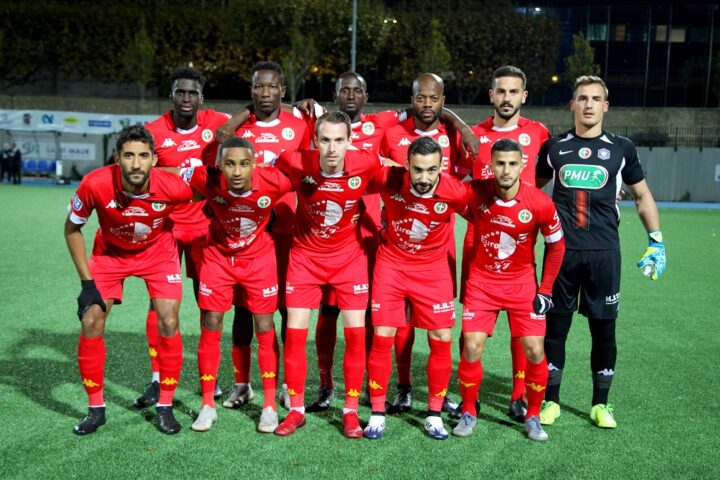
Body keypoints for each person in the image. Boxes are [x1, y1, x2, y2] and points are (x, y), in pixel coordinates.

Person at [536, 75, 666, 429]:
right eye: (582, 98)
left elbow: (642, 195)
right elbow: (531, 191)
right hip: (561, 253)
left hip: (605, 253)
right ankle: (550, 400)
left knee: (604, 330)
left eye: (596, 99)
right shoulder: (554, 147)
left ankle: (601, 405)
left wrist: (656, 240)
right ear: (572, 105)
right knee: (555, 328)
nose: (589, 104)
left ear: (605, 106)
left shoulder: (622, 149)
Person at [64, 125, 193, 435]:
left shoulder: (174, 186)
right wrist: (86, 284)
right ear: (116, 158)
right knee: (91, 320)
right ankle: (96, 409)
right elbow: (72, 229)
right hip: (110, 254)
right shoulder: (95, 183)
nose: (136, 164)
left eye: (144, 156)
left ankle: (165, 405)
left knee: (169, 320)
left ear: (154, 160)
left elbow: (206, 192)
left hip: (158, 253)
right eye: (129, 156)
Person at [273, 111, 381, 438]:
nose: (332, 148)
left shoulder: (365, 162)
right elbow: (262, 173)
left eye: (339, 140)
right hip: (305, 258)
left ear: (350, 141)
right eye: (325, 140)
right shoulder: (295, 160)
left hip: (349, 259)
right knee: (295, 334)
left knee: (356, 335)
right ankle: (296, 410)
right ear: (315, 141)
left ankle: (350, 412)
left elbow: (395, 176)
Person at [458, 65, 552, 422]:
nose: (507, 97)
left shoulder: (539, 132)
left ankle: (518, 394)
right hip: (478, 237)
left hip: (519, 236)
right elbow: (456, 180)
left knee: (521, 321)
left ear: (523, 96)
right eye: (501, 91)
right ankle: (468, 398)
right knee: (470, 324)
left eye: (514, 92)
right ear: (491, 95)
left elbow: (547, 174)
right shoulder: (475, 135)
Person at [454, 138, 565, 442]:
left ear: (522, 165)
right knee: (471, 347)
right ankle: (468, 411)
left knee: (535, 350)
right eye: (500, 163)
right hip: (482, 283)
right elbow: (446, 192)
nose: (506, 170)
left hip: (521, 284)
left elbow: (557, 246)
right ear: (490, 165)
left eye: (512, 163)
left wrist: (545, 290)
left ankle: (532, 416)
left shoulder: (540, 202)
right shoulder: (475, 193)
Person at [219, 61, 312, 411]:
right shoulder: (238, 129)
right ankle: (242, 384)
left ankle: (288, 384)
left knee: (288, 310)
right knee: (244, 311)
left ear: (283, 91)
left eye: (272, 86)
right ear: (251, 91)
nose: (265, 93)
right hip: (246, 235)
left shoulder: (299, 126)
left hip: (288, 231)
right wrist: (240, 117)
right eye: (259, 86)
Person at [136, 66, 230, 409]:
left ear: (201, 97)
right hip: (167, 227)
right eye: (180, 92)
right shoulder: (153, 131)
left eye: (192, 93)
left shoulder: (217, 121)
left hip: (206, 226)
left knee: (209, 303)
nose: (186, 98)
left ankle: (210, 377)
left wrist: (302, 107)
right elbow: (140, 171)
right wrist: (184, 172)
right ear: (171, 96)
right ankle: (157, 377)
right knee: (160, 304)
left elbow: (254, 119)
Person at [182, 137, 290, 433]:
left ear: (255, 164)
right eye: (230, 164)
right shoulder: (205, 178)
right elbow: (171, 173)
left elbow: (310, 177)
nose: (238, 171)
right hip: (218, 257)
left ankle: (269, 406)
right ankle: (207, 405)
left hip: (259, 259)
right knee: (211, 320)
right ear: (220, 166)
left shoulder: (274, 181)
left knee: (264, 324)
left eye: (244, 164)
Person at [363, 137, 468, 440]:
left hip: (433, 271)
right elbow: (352, 177)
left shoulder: (455, 191)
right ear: (406, 164)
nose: (424, 178)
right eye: (418, 170)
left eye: (431, 170)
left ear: (441, 167)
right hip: (391, 267)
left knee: (441, 338)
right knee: (382, 336)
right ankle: (377, 414)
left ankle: (434, 415)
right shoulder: (389, 178)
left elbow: (483, 214)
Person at [378, 72, 470, 414]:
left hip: (439, 246)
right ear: (411, 100)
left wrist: (461, 125)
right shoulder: (392, 133)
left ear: (443, 102)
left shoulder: (454, 135)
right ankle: (403, 387)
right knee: (400, 324)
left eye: (434, 99)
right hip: (398, 244)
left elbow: (467, 179)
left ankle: (441, 393)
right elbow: (378, 172)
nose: (427, 104)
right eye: (421, 98)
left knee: (439, 328)